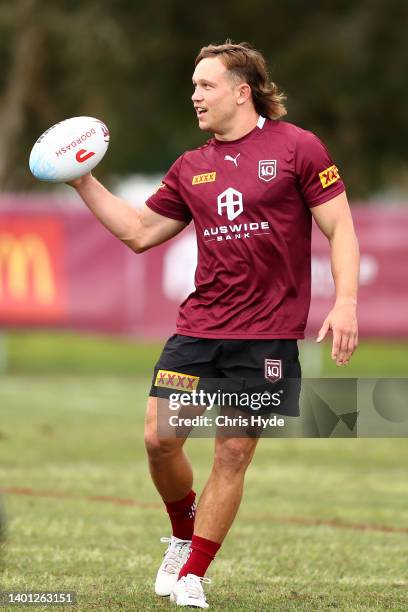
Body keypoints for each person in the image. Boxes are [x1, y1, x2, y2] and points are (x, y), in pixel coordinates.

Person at [69, 41, 359, 609]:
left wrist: (345, 301)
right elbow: (138, 232)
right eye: (194, 86)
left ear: (241, 91)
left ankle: (194, 575)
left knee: (232, 451)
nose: (195, 96)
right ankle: (183, 532)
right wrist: (83, 181)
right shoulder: (191, 166)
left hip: (268, 336)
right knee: (159, 438)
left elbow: (341, 228)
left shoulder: (298, 148)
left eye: (206, 85)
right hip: (199, 329)